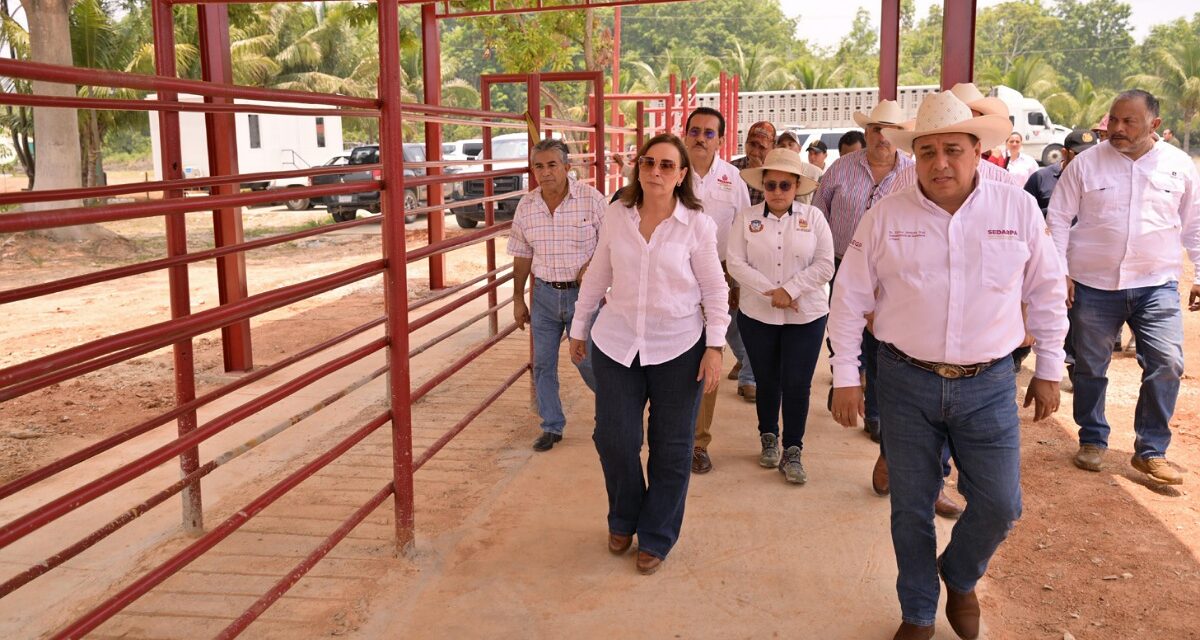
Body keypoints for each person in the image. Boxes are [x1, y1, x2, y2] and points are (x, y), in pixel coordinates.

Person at [830, 90, 1067, 640]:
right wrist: (847, 376)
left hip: (987, 384)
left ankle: (958, 574)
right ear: (916, 154)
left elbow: (1047, 291)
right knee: (910, 508)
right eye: (929, 150)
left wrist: (1050, 366)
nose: (940, 162)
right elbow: (849, 300)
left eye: (953, 149)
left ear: (976, 150)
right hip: (904, 380)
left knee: (1002, 503)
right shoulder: (886, 217)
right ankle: (917, 612)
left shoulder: (1017, 209)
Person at [568, 133, 730, 575]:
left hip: (679, 346)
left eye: (666, 166)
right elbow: (598, 272)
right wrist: (579, 327)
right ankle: (624, 515)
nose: (655, 171)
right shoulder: (617, 214)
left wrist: (715, 347)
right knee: (614, 439)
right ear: (639, 168)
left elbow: (715, 290)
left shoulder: (698, 225)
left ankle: (656, 533)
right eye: (648, 163)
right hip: (617, 343)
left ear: (681, 176)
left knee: (672, 447)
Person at [817, 101, 964, 518]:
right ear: (867, 133)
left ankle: (891, 444)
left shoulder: (916, 172)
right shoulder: (840, 170)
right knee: (853, 344)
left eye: (891, 130)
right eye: (877, 129)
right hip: (847, 267)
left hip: (900, 282)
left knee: (893, 361)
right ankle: (867, 405)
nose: (882, 137)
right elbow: (819, 216)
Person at [1047, 89, 1200, 486]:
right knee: (1090, 366)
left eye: (1128, 121)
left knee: (1167, 363)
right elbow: (1060, 218)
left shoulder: (1179, 165)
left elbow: (1195, 226)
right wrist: (1059, 270)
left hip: (1156, 284)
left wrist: (1199, 274)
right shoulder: (1085, 165)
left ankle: (1151, 451)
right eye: (1113, 119)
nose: (1116, 128)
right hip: (1094, 284)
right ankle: (1093, 440)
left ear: (1154, 125)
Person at [727, 149, 833, 484]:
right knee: (767, 379)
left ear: (796, 186)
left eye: (784, 185)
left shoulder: (814, 218)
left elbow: (825, 264)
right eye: (770, 184)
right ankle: (768, 437)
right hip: (758, 314)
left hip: (807, 316)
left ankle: (794, 449)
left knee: (798, 384)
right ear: (763, 185)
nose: (776, 191)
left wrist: (792, 289)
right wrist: (774, 292)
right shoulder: (746, 218)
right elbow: (735, 262)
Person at [508, 138, 605, 451]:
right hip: (544, 296)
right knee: (542, 365)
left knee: (587, 362)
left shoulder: (591, 200)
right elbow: (522, 254)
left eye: (552, 165)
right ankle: (551, 425)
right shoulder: (527, 206)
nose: (545, 172)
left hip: (585, 298)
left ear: (567, 167)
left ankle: (612, 414)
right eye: (539, 166)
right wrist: (518, 298)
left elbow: (612, 244)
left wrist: (592, 265)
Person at [684, 107, 753, 473]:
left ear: (721, 140)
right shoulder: (670, 171)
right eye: (695, 131)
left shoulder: (733, 179)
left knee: (709, 357)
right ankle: (670, 434)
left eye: (709, 133)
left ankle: (698, 442)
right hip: (674, 276)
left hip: (719, 278)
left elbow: (742, 232)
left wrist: (737, 281)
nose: (701, 138)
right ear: (685, 134)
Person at [1023, 129, 1097, 216]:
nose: (1086, 159)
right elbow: (1024, 214)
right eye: (1080, 155)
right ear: (1064, 153)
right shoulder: (1040, 178)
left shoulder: (1100, 179)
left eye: (1091, 154)